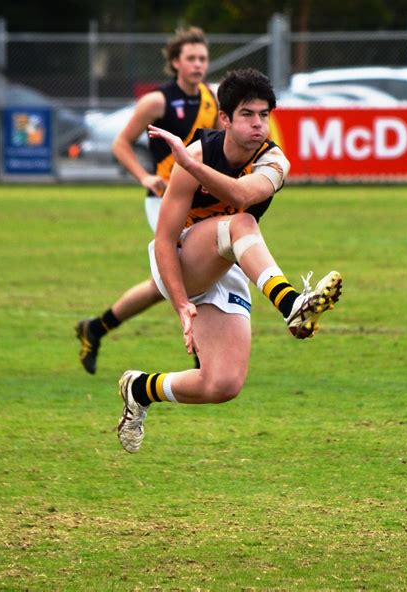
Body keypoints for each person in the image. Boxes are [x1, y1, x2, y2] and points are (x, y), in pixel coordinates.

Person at [117, 68, 343, 454]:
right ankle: (292, 305)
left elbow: (241, 194)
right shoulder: (198, 155)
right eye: (247, 115)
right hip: (181, 259)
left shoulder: (272, 161)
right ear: (225, 118)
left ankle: (139, 388)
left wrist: (190, 166)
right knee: (242, 224)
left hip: (227, 262)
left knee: (222, 385)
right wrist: (182, 304)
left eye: (264, 115)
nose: (259, 124)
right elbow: (163, 241)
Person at [76, 26, 219, 374]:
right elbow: (120, 144)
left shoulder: (212, 100)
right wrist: (144, 176)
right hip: (163, 200)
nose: (199, 64)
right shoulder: (157, 101)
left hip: (198, 201)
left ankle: (96, 328)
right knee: (189, 274)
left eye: (203, 58)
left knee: (166, 285)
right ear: (175, 62)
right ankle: (201, 352)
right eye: (191, 59)